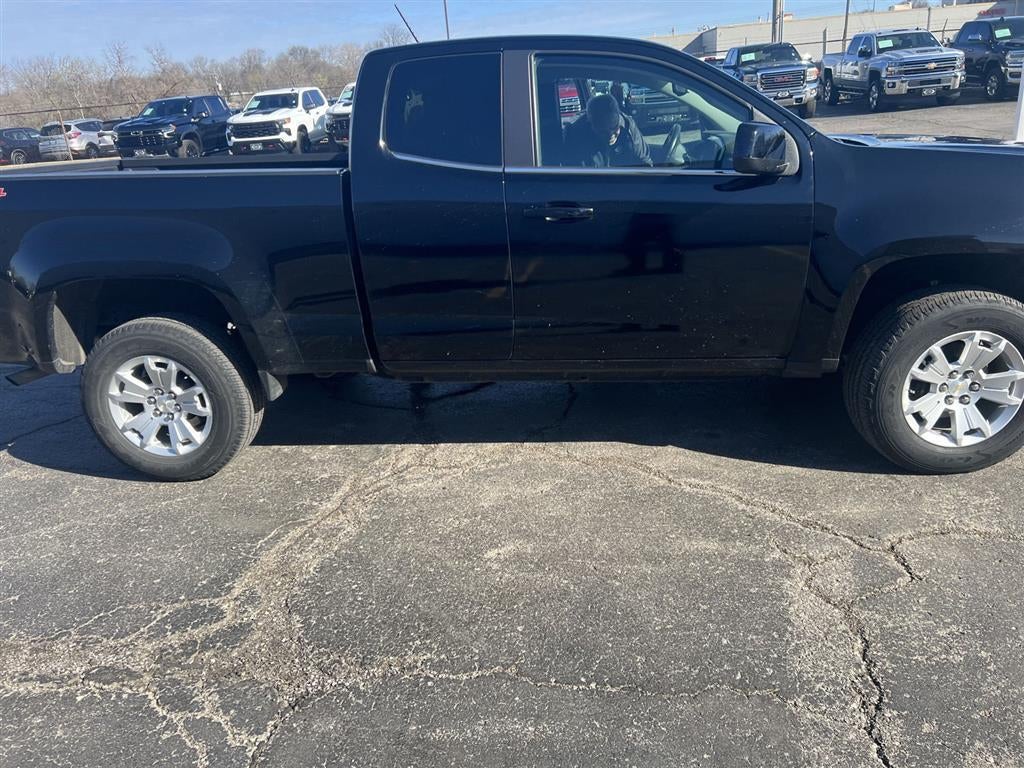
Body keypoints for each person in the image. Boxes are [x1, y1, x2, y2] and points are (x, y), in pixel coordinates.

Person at [562, 93, 652, 168]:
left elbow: (645, 163)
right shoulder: (575, 135)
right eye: (602, 131)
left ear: (618, 116)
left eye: (614, 127)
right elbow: (574, 178)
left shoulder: (628, 126)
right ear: (590, 123)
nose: (610, 135)